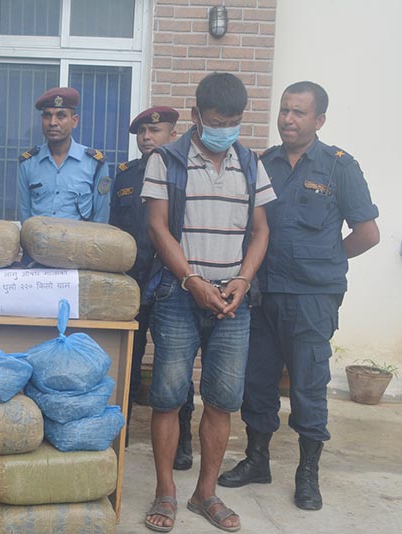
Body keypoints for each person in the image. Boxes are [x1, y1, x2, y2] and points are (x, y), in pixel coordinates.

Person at [218, 81, 380, 511]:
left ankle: (307, 474)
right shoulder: (261, 163)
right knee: (257, 380)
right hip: (263, 292)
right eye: (284, 110)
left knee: (309, 385)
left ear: (319, 120)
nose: (288, 119)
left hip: (312, 297)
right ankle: (257, 460)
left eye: (299, 113)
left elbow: (367, 233)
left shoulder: (338, 167)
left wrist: (327, 259)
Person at [141, 72, 275, 532]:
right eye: (218, 121)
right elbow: (158, 227)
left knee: (222, 400)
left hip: (232, 302)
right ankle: (166, 492)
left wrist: (242, 278)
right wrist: (192, 279)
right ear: (197, 116)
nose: (226, 130)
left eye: (234, 122)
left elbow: (261, 231)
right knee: (168, 396)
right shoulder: (166, 159)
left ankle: (205, 493)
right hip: (180, 296)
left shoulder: (251, 163)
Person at [110, 106, 198, 471]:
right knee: (127, 362)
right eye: (142, 132)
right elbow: (115, 233)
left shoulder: (186, 174)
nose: (147, 137)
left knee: (174, 365)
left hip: (171, 284)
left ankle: (183, 440)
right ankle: (121, 435)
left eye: (155, 130)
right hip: (132, 283)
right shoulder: (125, 175)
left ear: (172, 133)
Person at [17, 87, 111, 223]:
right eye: (47, 115)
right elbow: (24, 215)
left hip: (79, 243)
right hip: (39, 242)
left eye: (61, 116)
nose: (52, 122)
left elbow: (101, 219)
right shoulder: (28, 163)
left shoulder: (95, 164)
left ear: (74, 121)